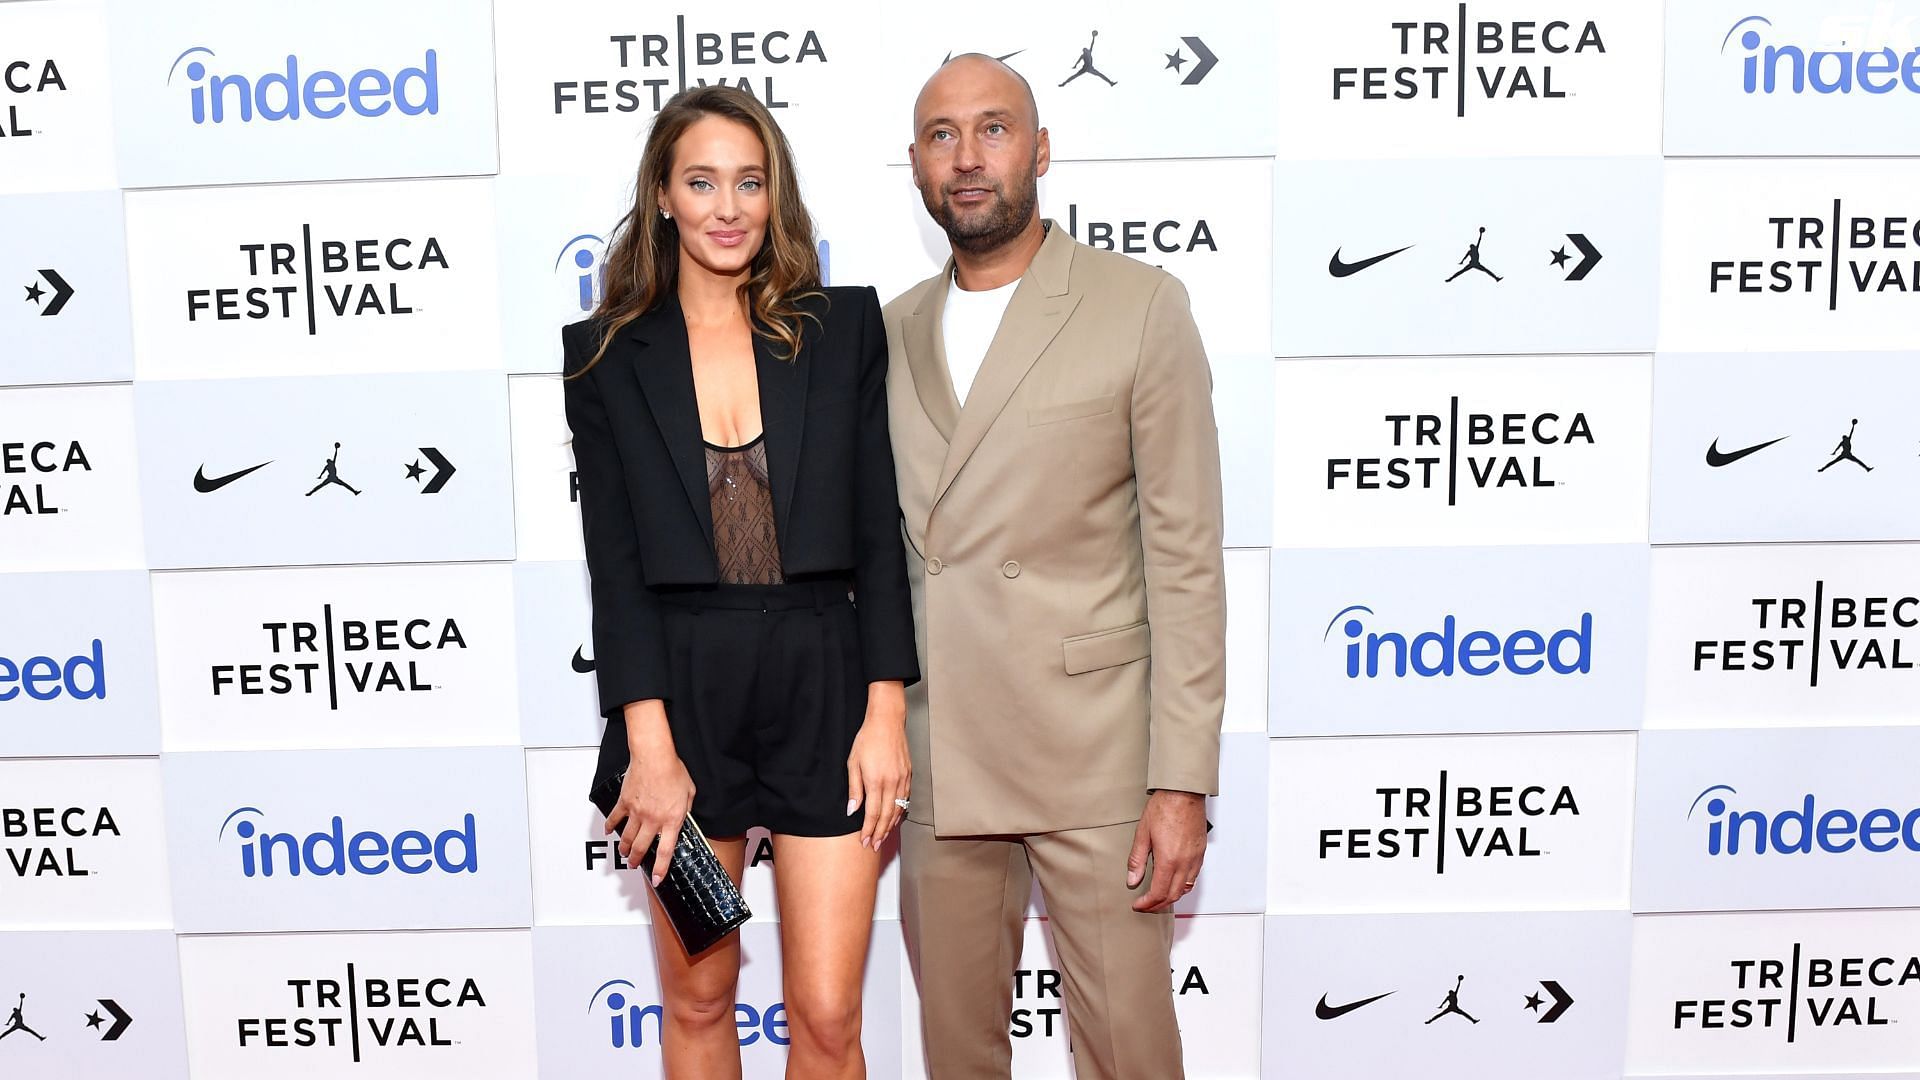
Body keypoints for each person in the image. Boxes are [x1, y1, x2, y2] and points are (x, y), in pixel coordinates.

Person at [563, 85, 918, 1079]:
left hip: (826, 684)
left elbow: (878, 531)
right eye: (703, 181)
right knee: (698, 997)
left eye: (750, 181)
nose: (729, 206)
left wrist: (884, 711)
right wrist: (649, 744)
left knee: (828, 1012)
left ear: (775, 195)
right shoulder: (602, 357)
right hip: (683, 699)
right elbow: (617, 565)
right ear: (664, 197)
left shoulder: (841, 327)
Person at [883, 54, 1226, 1079]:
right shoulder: (887, 331)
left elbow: (1187, 561)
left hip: (1100, 760)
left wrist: (1181, 782)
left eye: (994, 128)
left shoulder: (1140, 305)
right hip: (943, 755)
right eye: (942, 135)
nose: (969, 157)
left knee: (1129, 1055)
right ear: (914, 165)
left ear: (1041, 149)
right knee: (958, 1059)